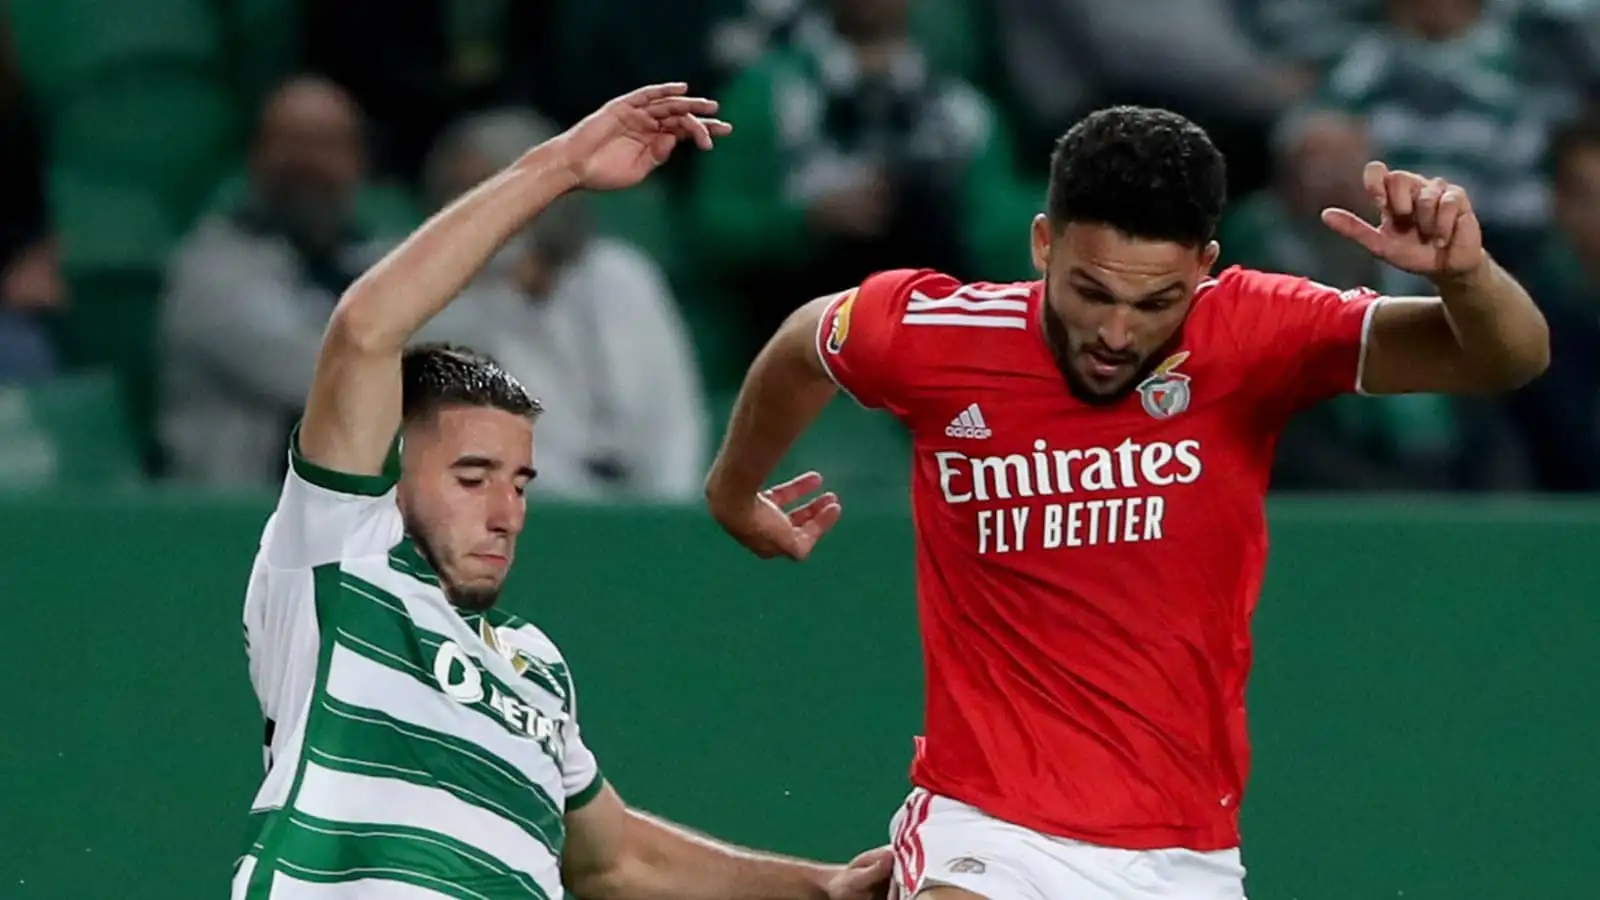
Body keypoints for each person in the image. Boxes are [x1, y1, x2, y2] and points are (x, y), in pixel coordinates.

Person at [702, 106, 1549, 899]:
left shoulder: (1255, 332)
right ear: (1044, 244)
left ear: (1205, 268)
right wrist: (735, 490)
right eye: (1092, 292)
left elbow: (1503, 359)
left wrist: (1466, 276)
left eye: (1156, 303)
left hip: (1186, 853)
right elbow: (807, 342)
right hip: (989, 825)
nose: (1116, 333)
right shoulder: (930, 334)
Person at [235, 82, 893, 900]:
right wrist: (560, 166)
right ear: (392, 475)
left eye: (519, 482)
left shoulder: (535, 666)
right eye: (471, 477)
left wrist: (821, 887)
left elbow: (616, 859)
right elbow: (367, 330)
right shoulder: (338, 567)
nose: (505, 512)